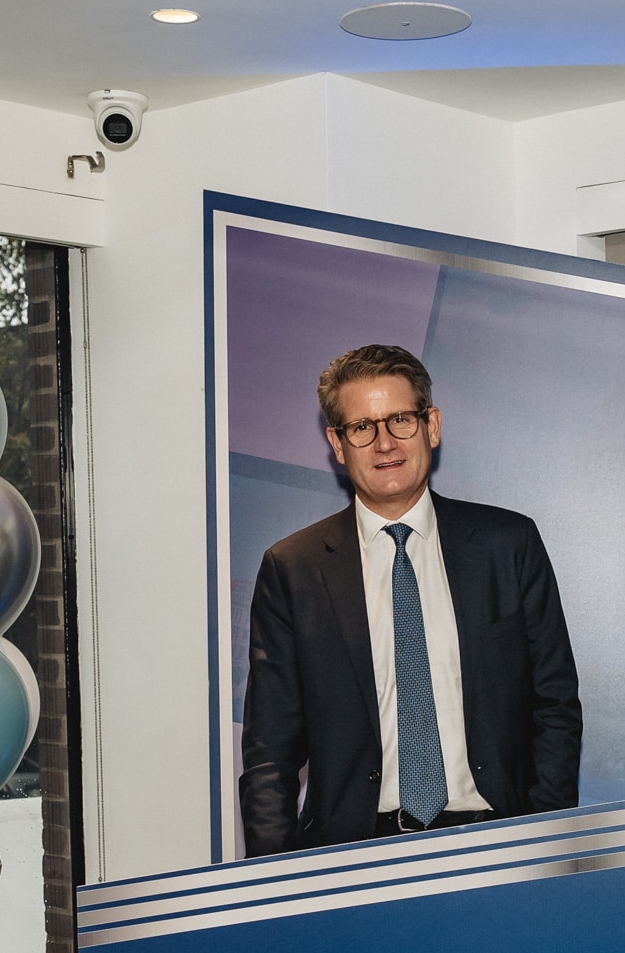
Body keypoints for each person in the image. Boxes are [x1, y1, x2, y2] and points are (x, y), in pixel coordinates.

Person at [241, 344, 582, 856]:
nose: (384, 443)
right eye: (362, 427)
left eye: (400, 420)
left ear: (431, 426)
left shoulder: (508, 545)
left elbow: (555, 707)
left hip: (497, 844)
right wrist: (275, 881)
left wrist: (539, 844)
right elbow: (270, 750)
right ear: (337, 444)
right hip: (353, 857)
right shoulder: (292, 569)